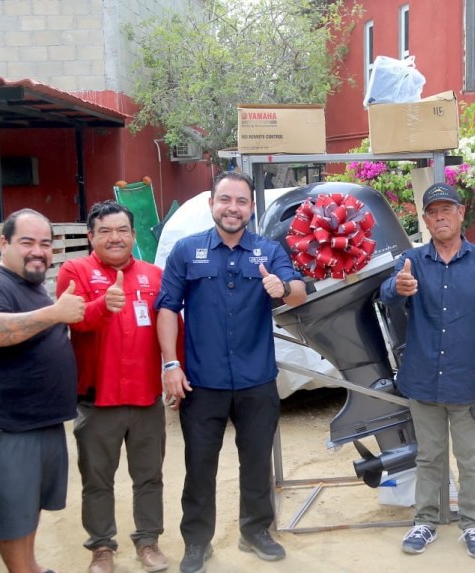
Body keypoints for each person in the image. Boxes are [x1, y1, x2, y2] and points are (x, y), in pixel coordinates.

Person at [155, 171, 307, 573]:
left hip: (256, 379)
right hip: (202, 382)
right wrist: (170, 362)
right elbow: (168, 307)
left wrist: (282, 289)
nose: (233, 208)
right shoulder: (187, 252)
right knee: (199, 466)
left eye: (241, 201)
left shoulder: (268, 250)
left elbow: (299, 291)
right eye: (225, 200)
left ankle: (255, 531)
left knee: (257, 462)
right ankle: (197, 542)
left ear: (250, 208)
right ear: (211, 204)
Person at [380, 183, 475, 559]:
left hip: (471, 382)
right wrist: (398, 287)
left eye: (446, 210)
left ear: (459, 215)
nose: (440, 217)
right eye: (433, 212)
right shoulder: (412, 261)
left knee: (472, 460)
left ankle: (473, 524)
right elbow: (388, 294)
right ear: (425, 220)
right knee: (429, 457)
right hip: (423, 379)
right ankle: (425, 520)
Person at [0, 208, 85, 573]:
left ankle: (30, 567)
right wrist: (55, 314)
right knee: (12, 514)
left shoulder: (30, 287)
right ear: (4, 243)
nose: (38, 251)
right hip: (7, 427)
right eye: (27, 242)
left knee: (27, 509)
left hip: (37, 422)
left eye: (45, 244)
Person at [56, 201, 170, 573]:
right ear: (91, 236)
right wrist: (102, 305)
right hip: (97, 399)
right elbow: (71, 320)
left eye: (122, 230)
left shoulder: (155, 276)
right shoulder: (75, 271)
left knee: (149, 476)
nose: (115, 237)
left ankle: (149, 541)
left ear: (134, 236)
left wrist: (175, 370)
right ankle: (102, 547)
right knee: (97, 479)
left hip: (145, 398)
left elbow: (172, 330)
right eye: (105, 231)